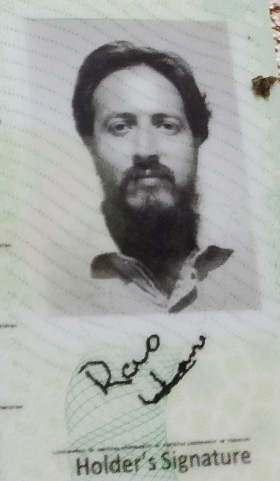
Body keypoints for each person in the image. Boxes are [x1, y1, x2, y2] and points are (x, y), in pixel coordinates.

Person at [72, 41, 233, 312]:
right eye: (120, 127)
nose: (145, 151)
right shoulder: (59, 282)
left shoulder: (257, 265)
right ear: (91, 145)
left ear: (197, 139)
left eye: (167, 126)